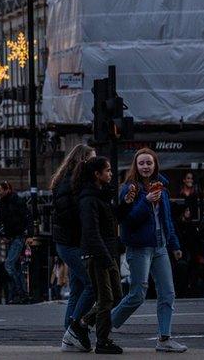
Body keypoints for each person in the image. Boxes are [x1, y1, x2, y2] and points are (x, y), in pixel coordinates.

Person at [110, 148, 187, 353]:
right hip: (139, 248)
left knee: (168, 293)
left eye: (149, 163)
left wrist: (175, 245)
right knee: (137, 294)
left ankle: (164, 338)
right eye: (142, 163)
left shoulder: (163, 188)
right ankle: (104, 324)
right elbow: (128, 221)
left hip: (160, 247)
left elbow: (167, 220)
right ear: (136, 166)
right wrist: (146, 202)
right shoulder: (130, 189)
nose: (145, 167)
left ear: (155, 165)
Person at [65, 156, 123, 355]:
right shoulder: (88, 199)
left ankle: (81, 323)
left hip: (107, 252)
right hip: (97, 255)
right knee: (106, 298)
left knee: (116, 296)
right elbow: (91, 232)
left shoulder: (101, 195)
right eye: (107, 170)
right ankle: (103, 341)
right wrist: (105, 258)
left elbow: (115, 217)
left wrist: (128, 203)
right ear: (97, 175)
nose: (111, 173)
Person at [50, 144, 96, 343]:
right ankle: (74, 328)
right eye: (92, 159)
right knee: (92, 285)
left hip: (71, 241)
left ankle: (69, 330)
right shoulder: (70, 184)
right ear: (83, 160)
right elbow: (70, 215)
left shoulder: (72, 181)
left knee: (77, 288)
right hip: (70, 242)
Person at [0, 181, 29, 303]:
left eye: (0, 190)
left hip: (18, 237)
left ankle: (19, 292)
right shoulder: (2, 203)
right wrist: (3, 234)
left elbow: (26, 218)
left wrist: (28, 234)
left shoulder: (17, 201)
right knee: (16, 266)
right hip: (11, 237)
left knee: (9, 264)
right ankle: (23, 294)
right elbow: (3, 222)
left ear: (7, 190)